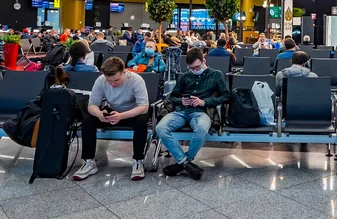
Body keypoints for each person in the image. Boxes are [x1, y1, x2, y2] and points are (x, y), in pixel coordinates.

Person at [155, 48, 230, 180]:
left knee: (201, 129)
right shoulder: (185, 77)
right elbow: (172, 97)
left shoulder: (216, 75)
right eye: (191, 68)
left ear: (204, 61)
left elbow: (226, 96)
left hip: (201, 112)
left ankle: (181, 163)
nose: (194, 71)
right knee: (160, 128)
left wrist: (204, 102)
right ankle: (186, 163)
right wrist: (181, 100)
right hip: (181, 111)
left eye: (197, 67)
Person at [73, 57, 149, 181]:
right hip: (112, 110)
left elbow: (143, 107)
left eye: (116, 80)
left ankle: (138, 161)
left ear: (124, 72)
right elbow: (92, 106)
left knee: (141, 121)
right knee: (88, 120)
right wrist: (99, 114)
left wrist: (122, 116)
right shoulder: (101, 80)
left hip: (132, 112)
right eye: (109, 81)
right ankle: (89, 162)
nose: (112, 84)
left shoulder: (136, 80)